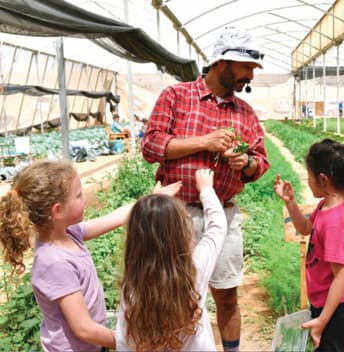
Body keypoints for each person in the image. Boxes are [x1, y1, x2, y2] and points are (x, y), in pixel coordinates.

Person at [141, 27, 269, 351]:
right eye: (247, 67)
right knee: (172, 292)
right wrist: (205, 142)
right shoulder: (176, 96)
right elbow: (151, 145)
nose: (250, 76)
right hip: (176, 214)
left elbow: (261, 162)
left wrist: (246, 164)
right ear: (224, 63)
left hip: (223, 215)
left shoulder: (246, 113)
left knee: (227, 296)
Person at [0, 160, 181, 351]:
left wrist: (152, 198)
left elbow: (115, 217)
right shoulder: (55, 263)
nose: (85, 199)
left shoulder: (69, 233)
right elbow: (84, 329)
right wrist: (131, 342)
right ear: (58, 210)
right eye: (78, 195)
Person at [274, 138, 344, 351]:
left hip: (336, 307)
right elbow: (306, 228)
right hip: (326, 301)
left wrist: (321, 322)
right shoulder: (326, 204)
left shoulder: (335, 223)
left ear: (323, 179)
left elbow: (341, 276)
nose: (307, 180)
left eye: (308, 175)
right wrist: (290, 202)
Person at [116, 169, 227, 351]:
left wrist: (152, 199)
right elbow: (218, 227)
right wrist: (206, 190)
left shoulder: (133, 284)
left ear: (134, 240)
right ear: (181, 232)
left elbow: (123, 341)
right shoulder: (194, 266)